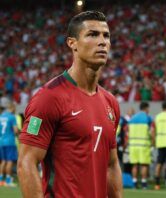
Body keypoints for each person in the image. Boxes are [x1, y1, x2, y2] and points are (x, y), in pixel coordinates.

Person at [17, 11, 123, 198]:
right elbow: (27, 162)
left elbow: (111, 165)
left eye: (106, 36)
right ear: (72, 43)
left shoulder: (110, 103)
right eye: (92, 34)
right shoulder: (49, 97)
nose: (102, 42)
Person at [128, 102, 152, 189]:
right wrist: (153, 142)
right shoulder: (148, 118)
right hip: (143, 145)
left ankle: (134, 183)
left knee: (134, 165)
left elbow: (127, 131)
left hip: (133, 145)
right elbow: (152, 131)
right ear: (146, 108)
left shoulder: (132, 118)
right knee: (144, 165)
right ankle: (144, 184)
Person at [0, 102, 19, 187]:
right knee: (10, 161)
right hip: (10, 142)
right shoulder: (12, 117)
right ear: (13, 108)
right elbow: (15, 131)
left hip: (1, 141)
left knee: (3, 161)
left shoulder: (1, 117)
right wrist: (20, 131)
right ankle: (8, 181)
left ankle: (0, 180)